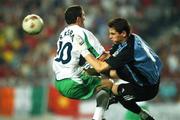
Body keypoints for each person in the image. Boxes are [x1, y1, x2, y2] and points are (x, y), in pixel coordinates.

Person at [75, 17, 163, 120]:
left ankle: (140, 113)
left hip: (146, 88)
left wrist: (83, 50)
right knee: (109, 74)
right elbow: (107, 56)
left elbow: (100, 68)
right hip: (141, 74)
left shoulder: (128, 51)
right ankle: (115, 99)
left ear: (123, 33)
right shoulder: (132, 38)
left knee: (115, 90)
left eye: (112, 34)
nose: (109, 37)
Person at [52, 5, 113, 120]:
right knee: (107, 83)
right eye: (83, 15)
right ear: (78, 19)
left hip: (58, 82)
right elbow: (102, 56)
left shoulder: (62, 34)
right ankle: (98, 117)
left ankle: (101, 114)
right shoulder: (83, 32)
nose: (85, 18)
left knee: (93, 72)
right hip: (72, 82)